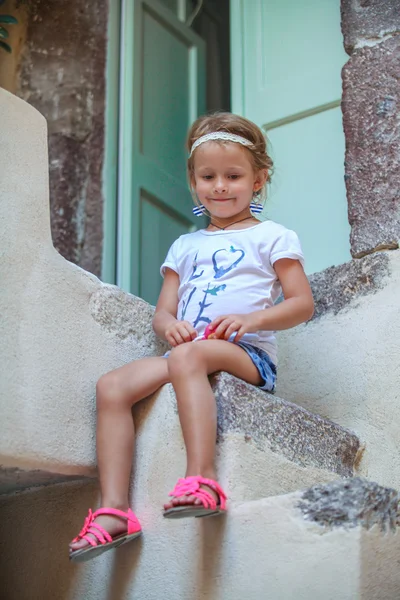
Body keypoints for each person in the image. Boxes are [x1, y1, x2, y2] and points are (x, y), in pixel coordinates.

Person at [69, 112, 314, 563]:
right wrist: (169, 327)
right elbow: (163, 312)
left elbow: (302, 303)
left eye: (233, 176)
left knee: (187, 359)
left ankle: (203, 479)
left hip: (246, 355)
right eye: (208, 176)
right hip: (191, 352)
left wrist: (251, 320)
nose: (220, 186)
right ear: (193, 181)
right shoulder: (184, 247)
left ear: (259, 179)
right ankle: (114, 510)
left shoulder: (272, 236)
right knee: (112, 386)